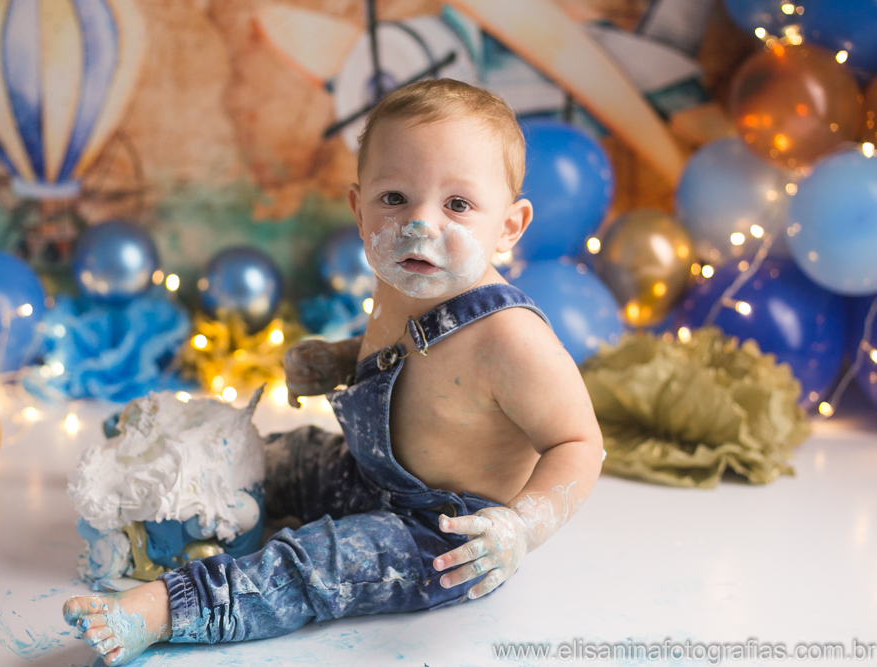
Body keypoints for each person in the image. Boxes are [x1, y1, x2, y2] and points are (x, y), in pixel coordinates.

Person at [63, 78, 604, 666]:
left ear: (509, 227)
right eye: (394, 198)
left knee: (318, 565)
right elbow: (410, 358)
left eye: (457, 205)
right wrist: (341, 358)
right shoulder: (405, 276)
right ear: (359, 210)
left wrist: (519, 526)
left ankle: (169, 607)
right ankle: (166, 485)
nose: (420, 224)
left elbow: (578, 443)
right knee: (277, 454)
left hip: (445, 532)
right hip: (367, 475)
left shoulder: (510, 339)